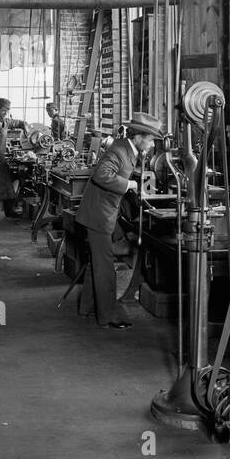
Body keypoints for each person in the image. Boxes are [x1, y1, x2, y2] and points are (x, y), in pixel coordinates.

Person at [74, 111, 163, 329]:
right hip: (98, 215)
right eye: (150, 140)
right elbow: (101, 175)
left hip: (101, 211)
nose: (151, 145)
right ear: (139, 136)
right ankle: (108, 316)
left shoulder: (128, 148)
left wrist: (134, 190)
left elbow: (117, 174)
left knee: (98, 261)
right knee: (105, 266)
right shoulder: (119, 150)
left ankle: (87, 306)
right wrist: (130, 185)